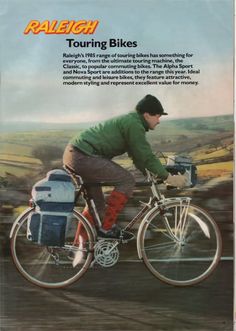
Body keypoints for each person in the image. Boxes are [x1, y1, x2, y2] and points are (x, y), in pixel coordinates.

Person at [63, 94, 188, 266]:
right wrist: (167, 177)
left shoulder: (133, 122)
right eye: (157, 115)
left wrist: (154, 174)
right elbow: (145, 156)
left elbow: (139, 158)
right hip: (82, 156)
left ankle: (78, 249)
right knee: (127, 181)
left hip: (76, 155)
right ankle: (107, 229)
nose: (159, 120)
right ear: (146, 115)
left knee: (96, 206)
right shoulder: (134, 124)